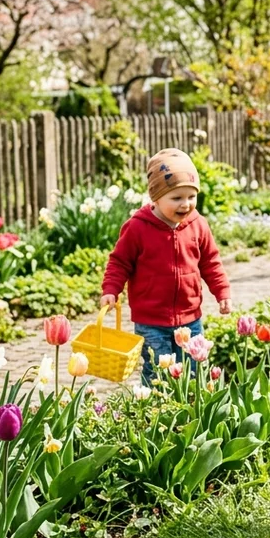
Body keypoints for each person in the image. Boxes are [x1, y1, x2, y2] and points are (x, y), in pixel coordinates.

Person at [100, 148, 233, 384]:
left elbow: (211, 262)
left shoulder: (198, 225)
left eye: (191, 197)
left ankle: (190, 413)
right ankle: (157, 413)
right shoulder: (138, 228)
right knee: (157, 375)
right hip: (151, 321)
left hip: (191, 318)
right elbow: (119, 262)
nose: (186, 204)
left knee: (192, 374)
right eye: (177, 198)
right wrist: (111, 290)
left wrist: (222, 292)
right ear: (156, 197)